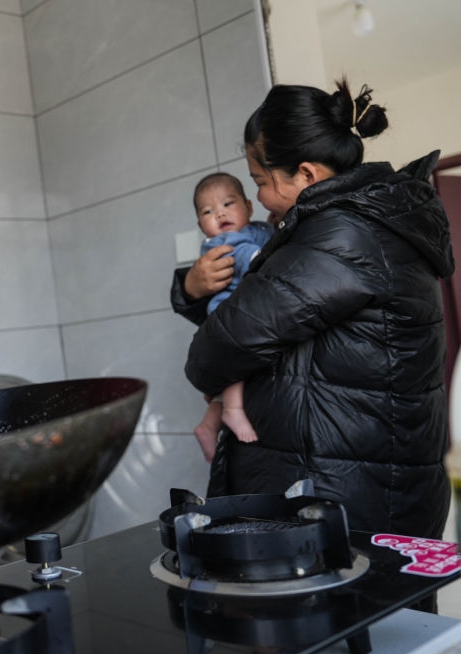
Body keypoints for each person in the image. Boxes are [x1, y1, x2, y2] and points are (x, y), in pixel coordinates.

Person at [180, 77, 454, 543]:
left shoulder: (342, 235)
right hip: (356, 487)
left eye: (260, 182)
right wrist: (191, 289)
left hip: (341, 497)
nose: (259, 199)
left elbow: (220, 346)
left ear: (306, 175)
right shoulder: (363, 222)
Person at [188, 173, 273, 461]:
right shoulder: (224, 241)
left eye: (227, 204)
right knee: (238, 365)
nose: (220, 213)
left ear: (248, 207)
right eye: (207, 211)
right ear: (201, 226)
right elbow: (247, 256)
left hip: (242, 312)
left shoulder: (259, 229)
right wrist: (270, 259)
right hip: (228, 312)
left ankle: (208, 425)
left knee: (230, 381)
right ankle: (233, 411)